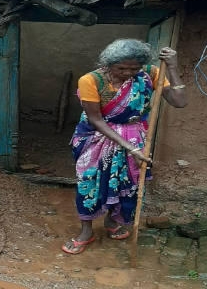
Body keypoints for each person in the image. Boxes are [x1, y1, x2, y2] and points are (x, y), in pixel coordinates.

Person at [61, 39, 187, 254]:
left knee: (126, 182)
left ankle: (112, 221)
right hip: (96, 136)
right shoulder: (91, 80)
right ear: (108, 64)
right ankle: (86, 231)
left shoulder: (150, 74)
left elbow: (179, 101)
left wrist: (173, 68)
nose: (128, 73)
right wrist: (131, 149)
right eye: (121, 68)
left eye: (134, 69)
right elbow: (95, 119)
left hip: (134, 136)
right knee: (89, 182)